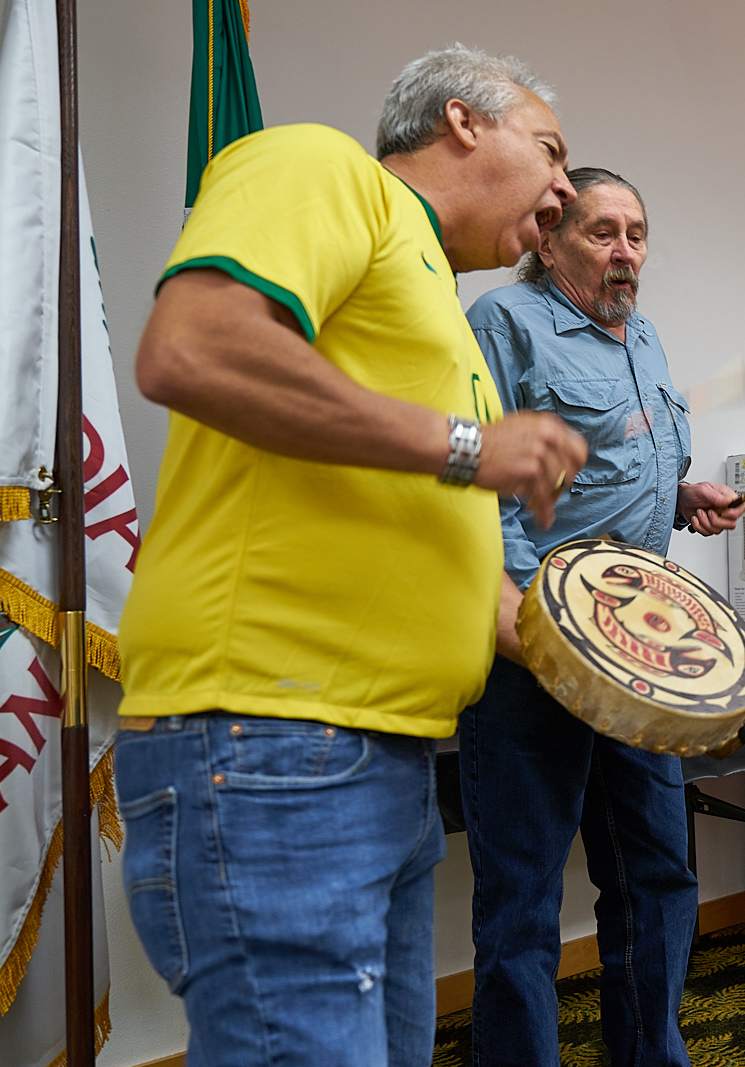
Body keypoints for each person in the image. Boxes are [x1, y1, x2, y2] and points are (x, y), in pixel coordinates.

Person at [114, 47, 590, 1065]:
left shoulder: (437, 311)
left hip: (380, 756)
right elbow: (190, 345)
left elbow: (456, 568)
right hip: (273, 741)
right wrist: (470, 446)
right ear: (462, 120)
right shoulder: (324, 169)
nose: (563, 190)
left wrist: (620, 662)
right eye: (550, 151)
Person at [457, 169, 742, 1066]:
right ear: (550, 241)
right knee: (523, 901)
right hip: (532, 652)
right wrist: (535, 625)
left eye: (638, 233)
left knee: (658, 877)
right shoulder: (503, 325)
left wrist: (679, 490)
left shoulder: (645, 338)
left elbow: (606, 471)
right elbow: (482, 490)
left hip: (641, 654)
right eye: (603, 232)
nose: (627, 251)